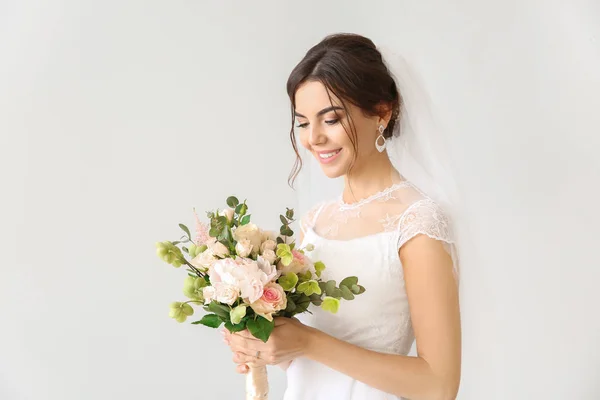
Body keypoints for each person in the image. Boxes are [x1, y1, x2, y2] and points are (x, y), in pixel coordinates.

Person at [223, 33, 461, 400]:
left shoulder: (417, 224)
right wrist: (266, 345)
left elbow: (439, 386)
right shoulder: (316, 222)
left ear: (382, 112)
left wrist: (307, 341)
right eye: (302, 123)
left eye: (330, 119)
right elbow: (308, 361)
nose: (313, 138)